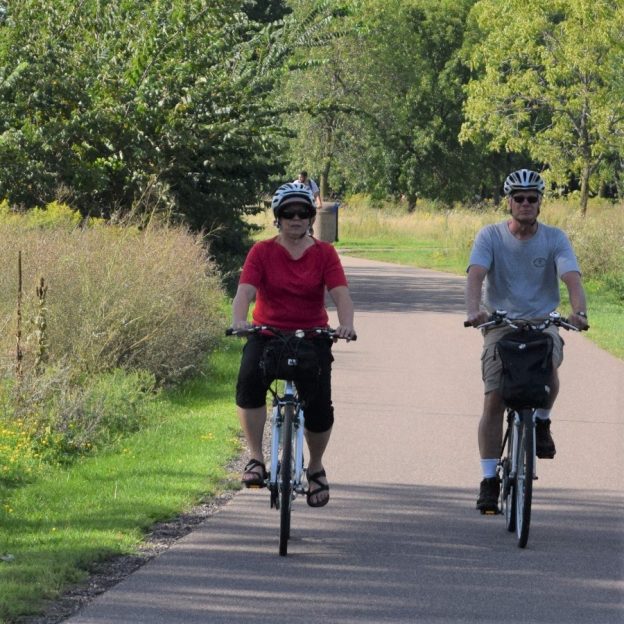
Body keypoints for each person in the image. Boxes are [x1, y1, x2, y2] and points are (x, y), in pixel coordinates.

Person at [465, 169, 588, 514]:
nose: (525, 204)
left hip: (541, 321)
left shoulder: (554, 238)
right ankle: (489, 479)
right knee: (495, 397)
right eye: (518, 198)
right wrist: (475, 311)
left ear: (539, 203)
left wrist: (578, 312)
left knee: (550, 360)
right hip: (500, 323)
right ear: (509, 202)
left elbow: (571, 277)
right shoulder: (490, 236)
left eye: (531, 198)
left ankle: (543, 421)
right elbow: (476, 274)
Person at [230, 182, 356, 508]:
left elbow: (340, 293)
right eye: (288, 213)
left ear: (311, 217)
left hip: (312, 336)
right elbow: (245, 291)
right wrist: (240, 321)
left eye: (302, 213)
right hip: (267, 334)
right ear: (278, 218)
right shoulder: (262, 251)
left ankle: (315, 468)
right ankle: (256, 458)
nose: (295, 219)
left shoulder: (325, 253)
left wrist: (346, 325)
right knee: (248, 382)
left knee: (318, 406)